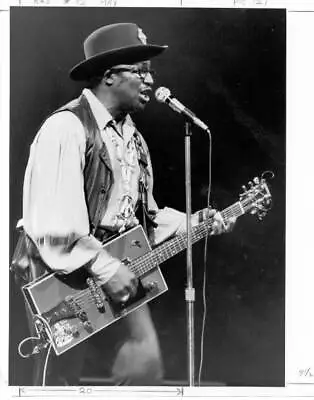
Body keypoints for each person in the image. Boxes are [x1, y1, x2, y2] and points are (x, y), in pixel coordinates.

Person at [13, 23, 234, 386]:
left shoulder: (134, 140)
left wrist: (195, 222)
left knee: (144, 366)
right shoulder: (67, 128)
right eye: (140, 71)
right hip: (62, 277)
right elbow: (54, 223)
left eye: (151, 72)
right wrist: (103, 267)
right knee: (58, 383)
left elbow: (141, 218)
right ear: (108, 76)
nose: (149, 81)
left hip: (112, 269)